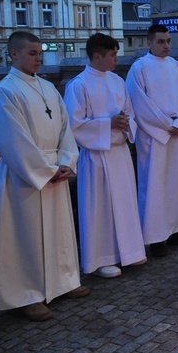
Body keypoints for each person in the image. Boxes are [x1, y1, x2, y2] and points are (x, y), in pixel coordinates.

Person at [0, 31, 88, 322]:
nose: (38, 58)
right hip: (25, 175)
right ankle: (28, 294)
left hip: (55, 170)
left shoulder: (49, 87)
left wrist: (66, 161)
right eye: (32, 53)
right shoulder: (6, 90)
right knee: (26, 236)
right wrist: (44, 171)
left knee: (59, 230)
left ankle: (64, 282)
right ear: (13, 54)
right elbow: (12, 139)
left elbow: (66, 129)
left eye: (40, 53)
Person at [64, 33, 147, 279]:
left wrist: (124, 123)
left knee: (124, 203)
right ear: (97, 56)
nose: (116, 59)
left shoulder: (117, 81)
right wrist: (107, 124)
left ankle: (129, 251)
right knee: (99, 207)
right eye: (112, 54)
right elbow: (74, 125)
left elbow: (130, 113)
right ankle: (102, 258)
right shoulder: (78, 85)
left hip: (119, 153)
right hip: (96, 156)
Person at [126, 24, 178, 257]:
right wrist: (166, 125)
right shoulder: (139, 68)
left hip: (176, 135)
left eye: (168, 41)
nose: (166, 46)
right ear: (149, 43)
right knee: (155, 185)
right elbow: (138, 103)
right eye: (161, 41)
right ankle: (156, 237)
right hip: (154, 138)